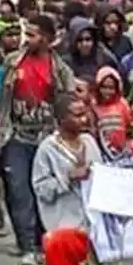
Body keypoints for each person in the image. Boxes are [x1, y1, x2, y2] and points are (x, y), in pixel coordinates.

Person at [0, 15, 76, 265]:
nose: (27, 39)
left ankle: (44, 243)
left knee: (44, 190)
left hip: (47, 136)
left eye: (33, 35)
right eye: (26, 34)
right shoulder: (12, 62)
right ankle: (27, 245)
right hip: (17, 134)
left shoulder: (60, 69)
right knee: (19, 190)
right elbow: (2, 102)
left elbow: (67, 102)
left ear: (48, 39)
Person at [32, 95, 102, 236]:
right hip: (64, 227)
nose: (84, 119)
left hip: (93, 226)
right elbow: (41, 189)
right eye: (77, 115)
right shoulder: (48, 148)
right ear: (62, 119)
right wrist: (67, 177)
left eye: (84, 114)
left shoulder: (90, 142)